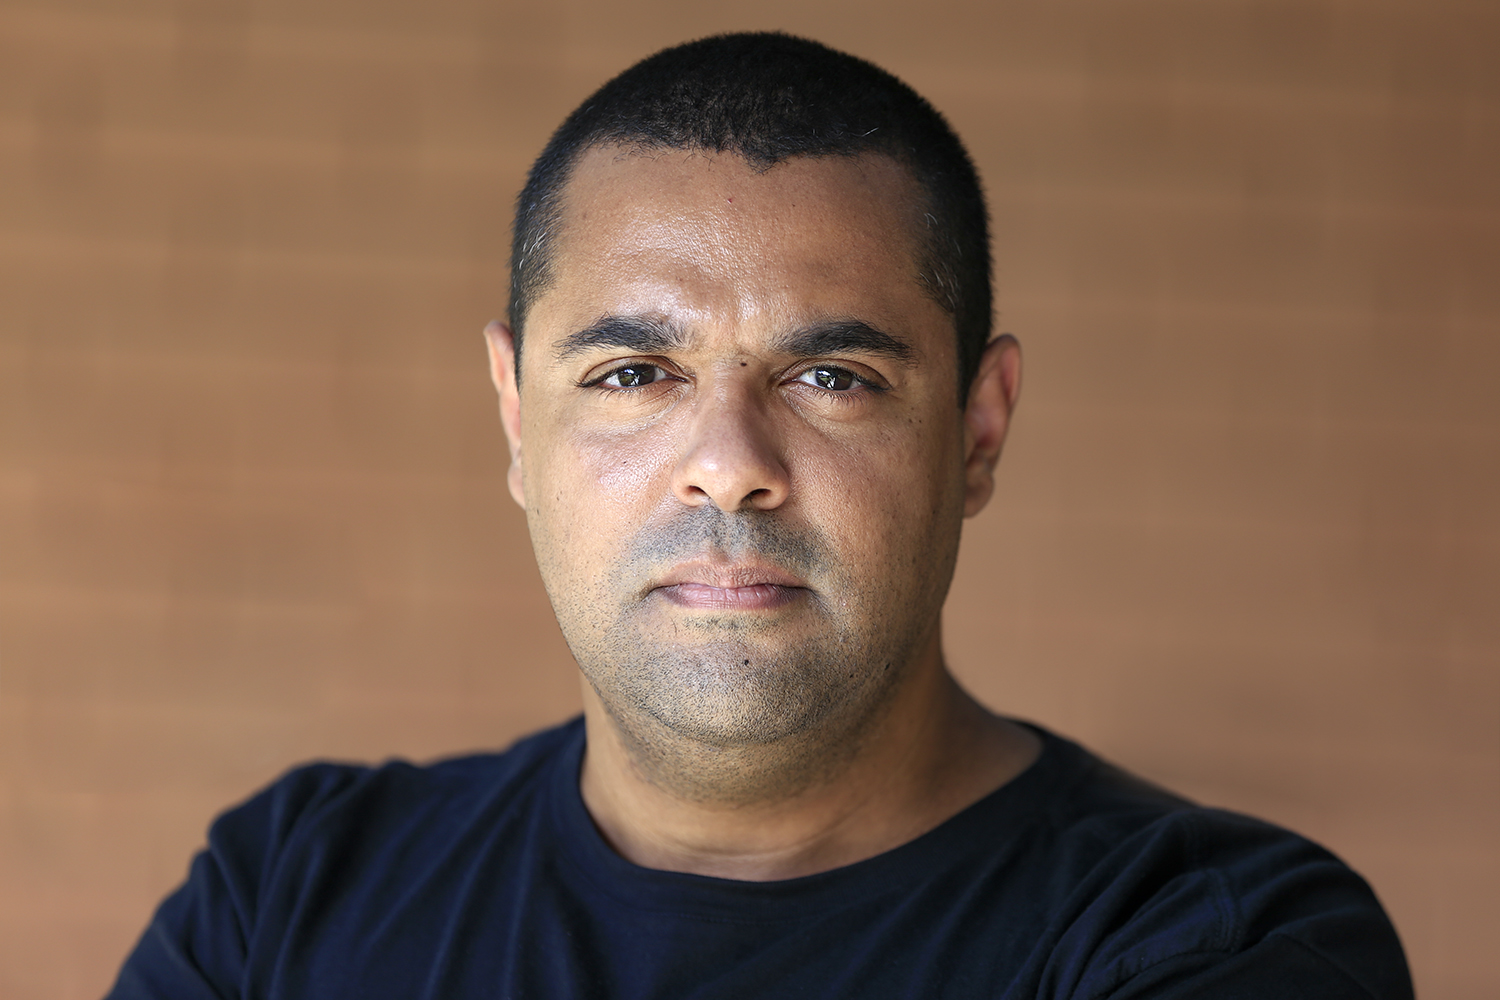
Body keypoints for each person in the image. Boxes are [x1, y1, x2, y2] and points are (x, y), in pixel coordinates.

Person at [107, 32, 1412, 999]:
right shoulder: (292, 896)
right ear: (518, 418)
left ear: (978, 426)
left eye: (831, 377)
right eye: (631, 375)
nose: (728, 466)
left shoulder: (1213, 939)